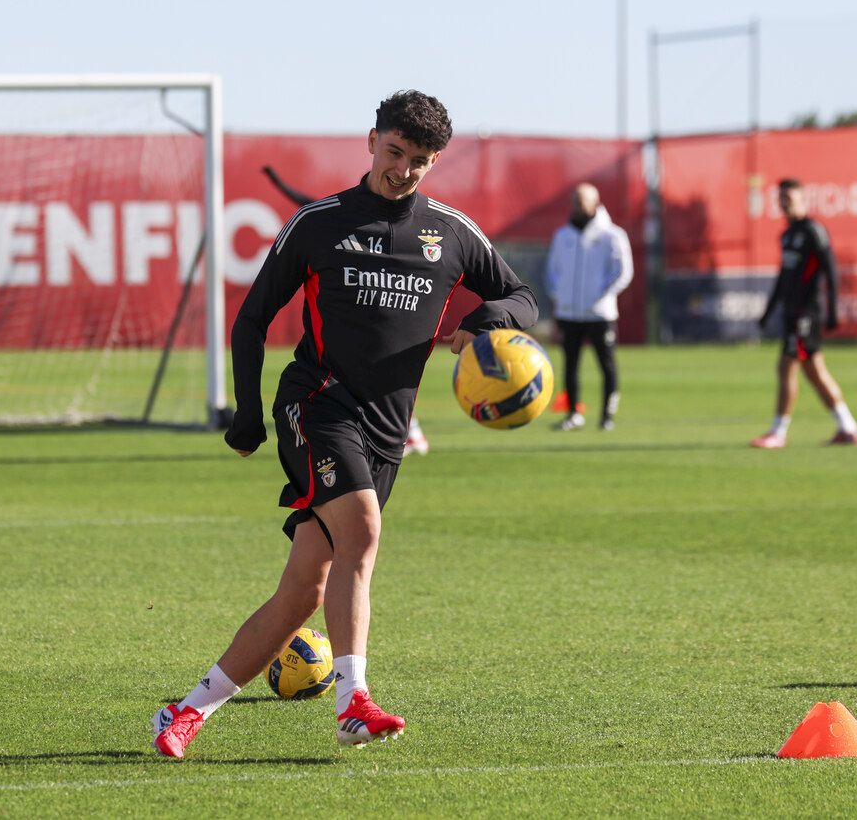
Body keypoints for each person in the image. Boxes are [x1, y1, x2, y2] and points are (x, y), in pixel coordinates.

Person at [153, 91, 538, 758]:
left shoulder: (450, 232)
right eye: (394, 152)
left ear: (434, 162)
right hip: (316, 404)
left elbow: (522, 297)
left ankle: (185, 711)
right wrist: (247, 413)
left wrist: (482, 322)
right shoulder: (319, 223)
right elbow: (251, 318)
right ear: (371, 141)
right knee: (363, 528)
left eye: (419, 161)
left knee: (302, 592)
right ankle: (353, 702)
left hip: (386, 433)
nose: (403, 170)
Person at [261, 165, 431, 457]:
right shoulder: (331, 218)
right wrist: (275, 179)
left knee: (386, 373)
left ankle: (408, 433)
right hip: (354, 305)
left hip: (382, 302)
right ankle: (401, 433)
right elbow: (301, 200)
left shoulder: (395, 224)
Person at [751, 178, 857, 448]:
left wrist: (832, 310)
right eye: (781, 199)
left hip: (806, 314)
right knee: (814, 372)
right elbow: (784, 277)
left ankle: (778, 432)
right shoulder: (787, 235)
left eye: (789, 198)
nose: (784, 204)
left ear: (801, 200)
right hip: (792, 312)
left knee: (786, 367)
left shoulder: (813, 231)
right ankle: (847, 427)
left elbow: (830, 270)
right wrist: (768, 311)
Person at [544, 183, 634, 431]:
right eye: (573, 200)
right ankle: (573, 414)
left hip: (599, 314)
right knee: (570, 365)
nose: (575, 205)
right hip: (569, 313)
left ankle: (607, 416)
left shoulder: (612, 235)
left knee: (606, 364)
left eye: (580, 201)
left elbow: (623, 271)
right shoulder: (562, 235)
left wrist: (601, 295)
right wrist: (560, 295)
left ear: (594, 202)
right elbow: (552, 271)